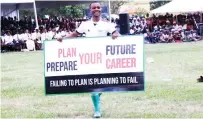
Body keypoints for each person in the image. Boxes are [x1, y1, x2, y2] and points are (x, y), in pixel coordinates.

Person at [57, 2, 119, 118]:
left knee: (104, 83)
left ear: (101, 10)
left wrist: (116, 35)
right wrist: (63, 38)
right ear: (90, 10)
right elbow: (75, 34)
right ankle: (97, 110)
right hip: (89, 59)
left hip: (104, 58)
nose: (96, 9)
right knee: (93, 84)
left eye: (98, 7)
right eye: (94, 7)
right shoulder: (85, 24)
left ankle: (98, 95)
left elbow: (115, 33)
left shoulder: (107, 24)